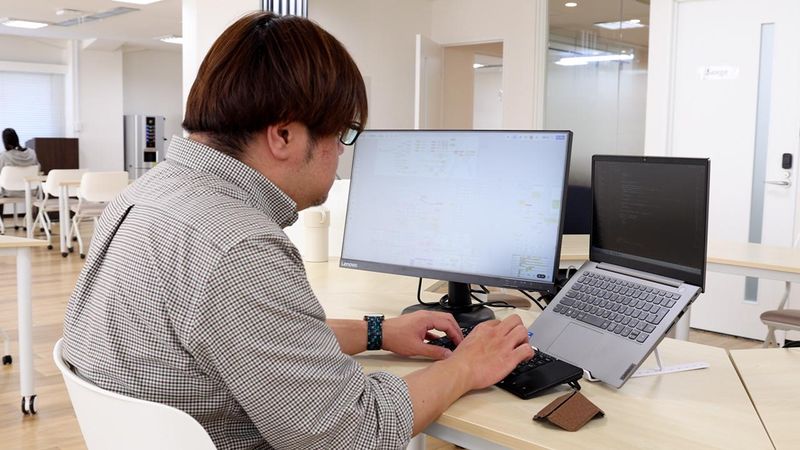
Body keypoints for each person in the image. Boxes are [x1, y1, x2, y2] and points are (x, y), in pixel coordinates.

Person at [62, 11, 533, 449]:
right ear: (284, 135)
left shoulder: (143, 196)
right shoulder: (239, 246)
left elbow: (254, 339)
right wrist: (468, 365)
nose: (342, 151)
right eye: (341, 133)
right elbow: (353, 432)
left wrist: (376, 332)